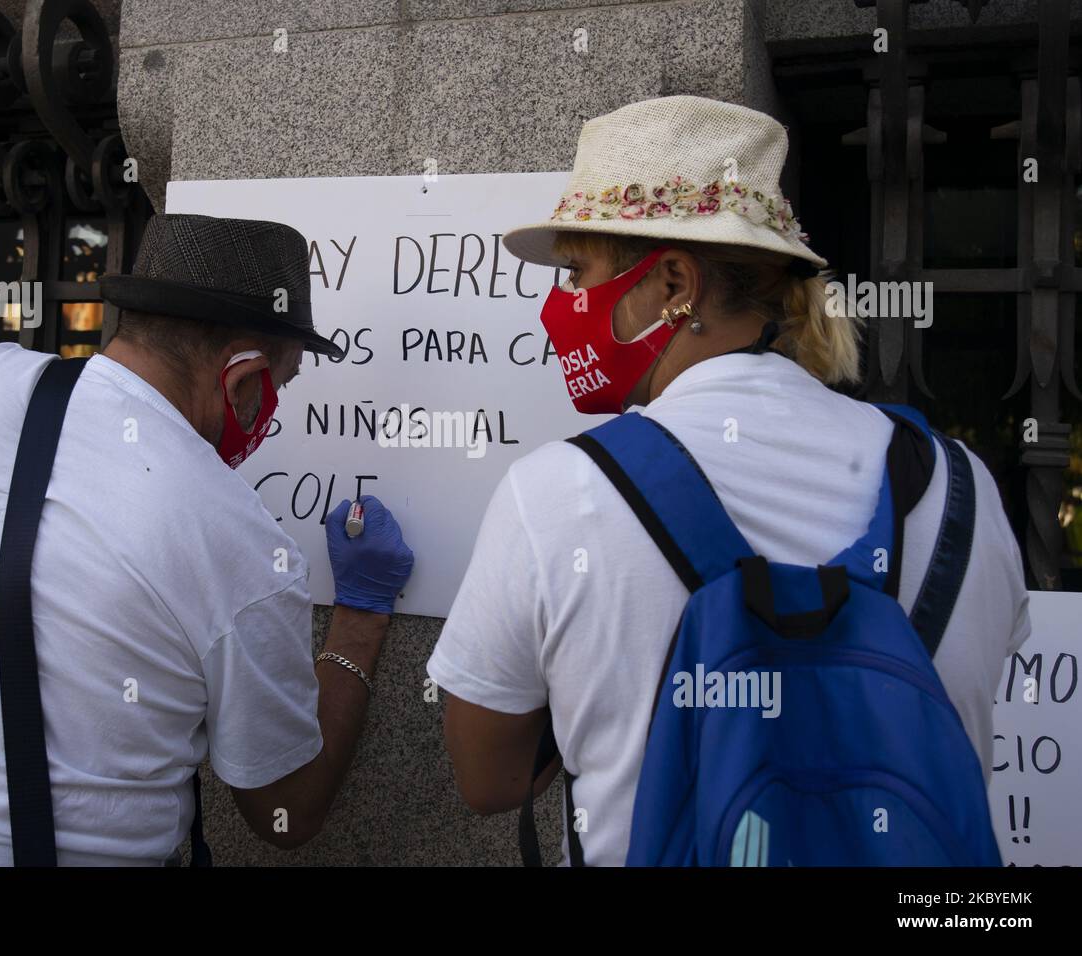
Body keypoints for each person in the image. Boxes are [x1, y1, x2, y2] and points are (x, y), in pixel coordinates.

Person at [427, 95, 1031, 866]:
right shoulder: (964, 488)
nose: (559, 308)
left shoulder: (555, 494)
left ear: (675, 281)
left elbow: (489, 780)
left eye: (576, 273)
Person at [0, 214, 413, 865]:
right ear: (243, 379)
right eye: (279, 387)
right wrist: (361, 614)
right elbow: (287, 810)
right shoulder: (239, 541)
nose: (269, 409)